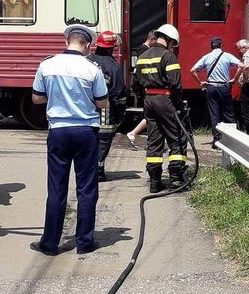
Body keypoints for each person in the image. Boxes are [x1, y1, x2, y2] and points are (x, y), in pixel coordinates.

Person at [30, 25, 109, 256]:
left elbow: (36, 98)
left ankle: (50, 243)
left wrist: (56, 96)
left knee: (56, 188)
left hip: (59, 131)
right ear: (87, 45)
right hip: (86, 131)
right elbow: (102, 102)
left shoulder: (47, 64)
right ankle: (84, 242)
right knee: (86, 187)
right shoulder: (91, 69)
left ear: (67, 41)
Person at [135, 24, 189, 191]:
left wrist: (146, 98)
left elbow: (135, 84)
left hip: (149, 101)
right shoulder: (169, 56)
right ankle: (176, 180)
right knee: (178, 137)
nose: (173, 46)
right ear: (169, 40)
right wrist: (180, 106)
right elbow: (175, 84)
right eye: (173, 43)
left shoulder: (142, 56)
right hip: (165, 100)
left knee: (154, 140)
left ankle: (154, 182)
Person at [87, 30, 126, 182]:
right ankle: (98, 171)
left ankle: (88, 169)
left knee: (89, 141)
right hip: (105, 113)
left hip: (85, 112)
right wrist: (120, 115)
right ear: (112, 48)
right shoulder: (113, 67)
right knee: (103, 141)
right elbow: (118, 94)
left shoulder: (87, 61)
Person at [190, 36, 241, 149]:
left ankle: (216, 141)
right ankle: (231, 141)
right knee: (228, 114)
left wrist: (200, 82)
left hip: (211, 87)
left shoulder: (206, 57)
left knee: (214, 114)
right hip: (224, 87)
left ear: (211, 46)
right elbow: (242, 66)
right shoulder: (227, 56)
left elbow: (192, 70)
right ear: (221, 45)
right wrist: (235, 79)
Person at [126, 31, 157, 149]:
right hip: (145, 88)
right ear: (152, 39)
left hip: (142, 87)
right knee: (151, 116)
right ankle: (134, 133)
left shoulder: (142, 49)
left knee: (151, 116)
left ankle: (139, 135)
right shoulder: (145, 51)